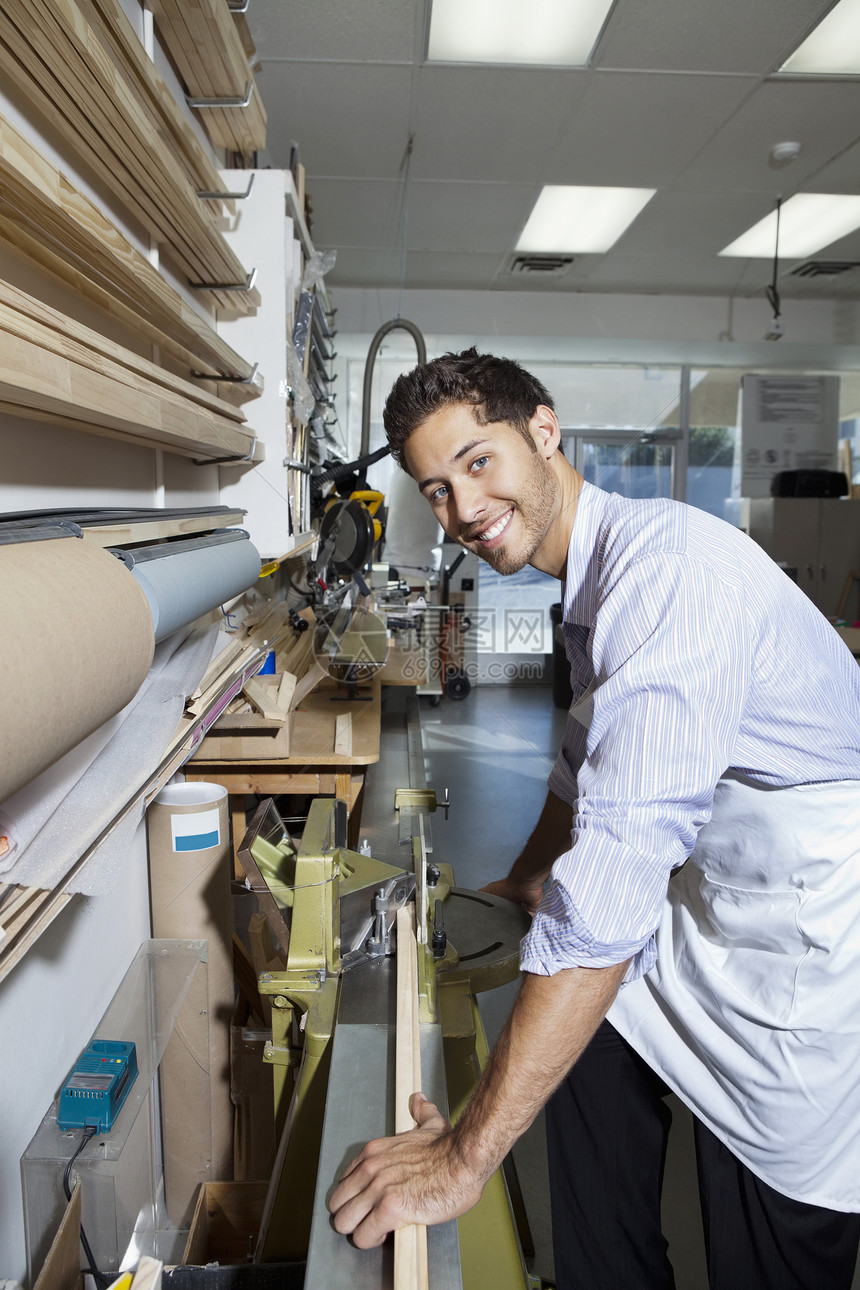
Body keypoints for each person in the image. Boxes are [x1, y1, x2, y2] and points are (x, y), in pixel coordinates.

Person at [328, 348, 860, 1289]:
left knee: (767, 1246)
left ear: (544, 430)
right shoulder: (590, 586)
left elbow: (610, 889)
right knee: (586, 1051)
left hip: (803, 954)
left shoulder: (670, 580)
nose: (461, 510)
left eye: (478, 461)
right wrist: (511, 891)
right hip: (711, 913)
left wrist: (463, 1160)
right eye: (437, 489)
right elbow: (581, 782)